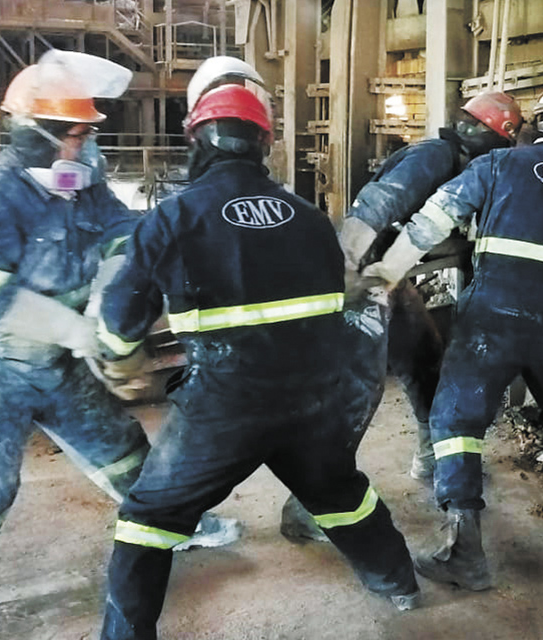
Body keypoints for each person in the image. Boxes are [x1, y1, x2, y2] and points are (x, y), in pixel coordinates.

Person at [0, 51, 235, 640]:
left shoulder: (84, 188)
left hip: (56, 362)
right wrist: (84, 332)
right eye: (76, 133)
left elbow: (124, 241)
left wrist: (112, 301)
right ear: (36, 135)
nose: (85, 146)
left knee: (124, 449)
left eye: (88, 133)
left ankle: (174, 526)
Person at [94, 84, 420, 639]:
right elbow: (343, 312)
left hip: (223, 408)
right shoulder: (311, 218)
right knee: (340, 492)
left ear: (196, 138)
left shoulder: (170, 220)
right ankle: (400, 585)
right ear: (263, 143)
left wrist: (119, 363)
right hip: (313, 402)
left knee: (149, 520)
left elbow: (121, 318)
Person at [361, 84, 543, 591]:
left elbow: (431, 221)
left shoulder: (499, 164)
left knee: (456, 417)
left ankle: (466, 549)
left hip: (492, 319)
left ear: (532, 127)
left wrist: (383, 276)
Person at [275, 90, 524, 543]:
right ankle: (308, 504)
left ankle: (433, 461)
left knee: (426, 360)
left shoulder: (460, 164)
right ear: (494, 139)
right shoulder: (435, 156)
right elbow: (378, 203)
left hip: (388, 277)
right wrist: (347, 267)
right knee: (358, 394)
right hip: (365, 276)